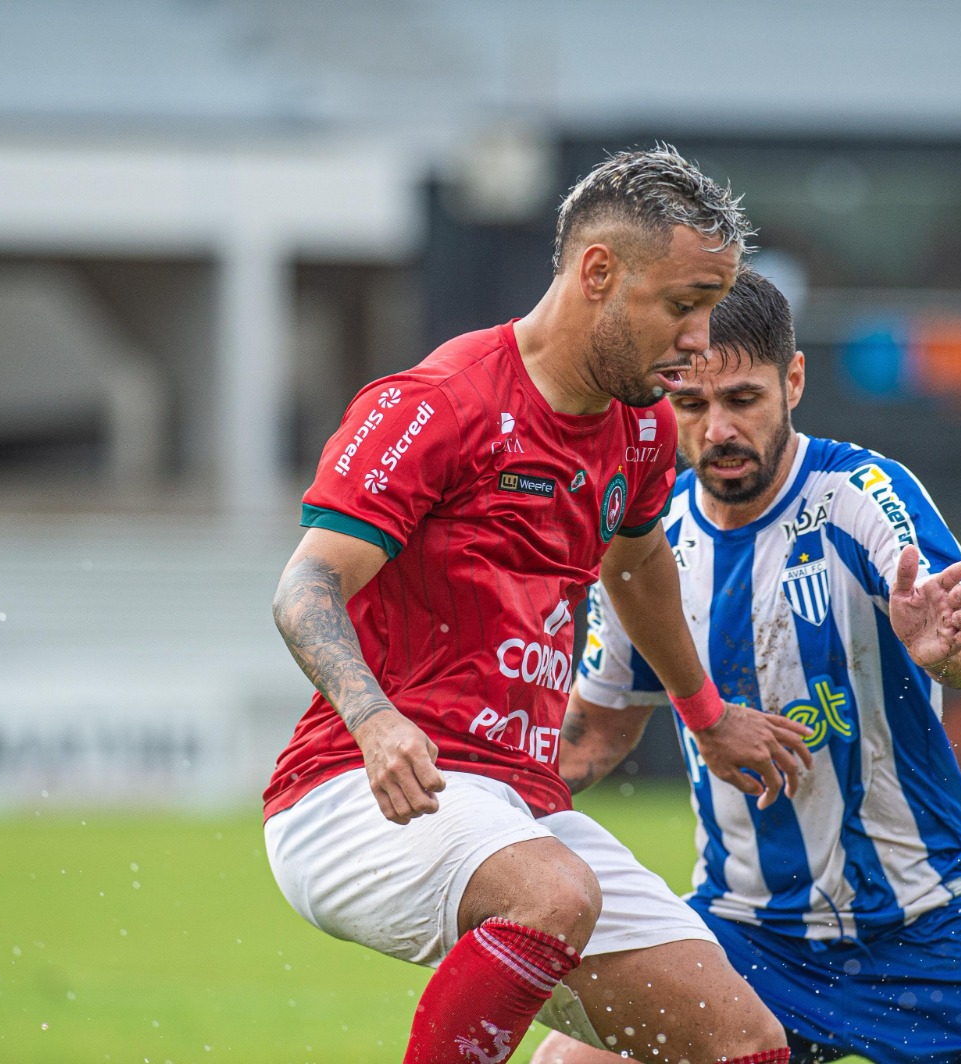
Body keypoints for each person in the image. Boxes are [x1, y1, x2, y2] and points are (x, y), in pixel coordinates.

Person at [263, 148, 813, 1064]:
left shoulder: (639, 428)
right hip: (362, 791)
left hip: (518, 808)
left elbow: (636, 571)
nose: (699, 338)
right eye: (683, 305)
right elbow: (304, 586)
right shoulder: (440, 403)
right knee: (554, 894)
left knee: (744, 1042)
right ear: (598, 274)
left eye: (709, 307)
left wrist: (704, 715)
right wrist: (376, 721)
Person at [535, 271, 961, 1064]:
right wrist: (476, 812)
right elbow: (594, 732)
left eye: (743, 398)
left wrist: (949, 648)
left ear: (793, 380)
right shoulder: (648, 535)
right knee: (571, 1061)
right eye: (692, 406)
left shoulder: (861, 494)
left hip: (917, 921)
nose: (719, 429)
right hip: (744, 930)